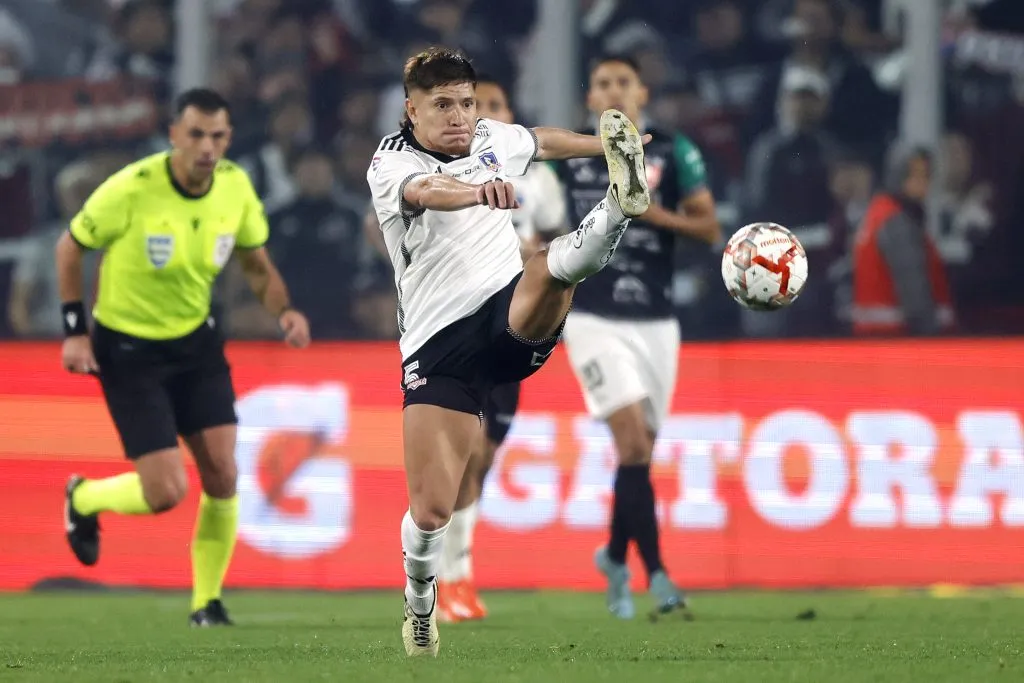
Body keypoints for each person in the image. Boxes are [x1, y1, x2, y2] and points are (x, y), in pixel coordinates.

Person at [366, 47, 651, 657]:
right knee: (432, 509)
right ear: (411, 111)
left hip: (505, 314)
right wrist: (475, 193)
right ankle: (421, 605)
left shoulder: (490, 136)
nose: (460, 115)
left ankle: (616, 208)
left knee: (554, 270)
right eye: (443, 104)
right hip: (439, 346)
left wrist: (601, 148)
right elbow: (428, 190)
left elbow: (538, 141)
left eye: (466, 102)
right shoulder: (391, 162)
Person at [57, 88, 311, 627]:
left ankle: (207, 603)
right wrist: (75, 331)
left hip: (195, 344)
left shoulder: (236, 187)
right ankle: (84, 499)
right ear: (174, 134)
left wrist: (283, 310)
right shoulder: (133, 188)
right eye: (196, 134)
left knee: (222, 473)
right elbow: (70, 246)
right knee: (165, 491)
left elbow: (257, 264)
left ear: (228, 140)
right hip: (127, 349)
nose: (207, 147)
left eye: (217, 136)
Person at [552, 55, 722, 620]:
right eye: (602, 83)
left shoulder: (675, 152)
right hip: (592, 316)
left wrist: (649, 214)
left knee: (639, 455)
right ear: (589, 101)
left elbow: (707, 227)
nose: (613, 91)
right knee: (630, 444)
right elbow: (541, 232)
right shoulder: (568, 161)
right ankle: (661, 580)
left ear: (642, 94)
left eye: (623, 82)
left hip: (657, 320)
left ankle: (615, 558)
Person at [434, 75, 568, 623]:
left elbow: (559, 246)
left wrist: (533, 256)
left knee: (483, 457)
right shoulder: (439, 173)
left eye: (492, 108)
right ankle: (452, 579)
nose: (480, 117)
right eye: (474, 108)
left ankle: (455, 570)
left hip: (512, 322)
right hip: (457, 319)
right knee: (464, 450)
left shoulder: (538, 180)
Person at [852, 144, 955, 335]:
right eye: (916, 175)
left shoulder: (878, 212)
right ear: (897, 176)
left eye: (926, 175)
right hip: (899, 338)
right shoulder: (896, 221)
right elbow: (914, 293)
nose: (924, 183)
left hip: (877, 337)